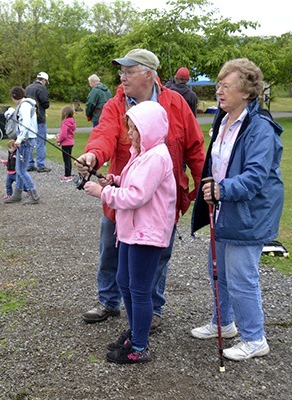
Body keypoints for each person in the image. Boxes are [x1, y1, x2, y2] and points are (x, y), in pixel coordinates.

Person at [77, 49, 205, 331]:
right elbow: (104, 134)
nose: (122, 77)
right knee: (111, 248)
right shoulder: (115, 105)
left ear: (149, 74)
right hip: (125, 198)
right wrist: (94, 156)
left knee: (158, 255)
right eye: (121, 72)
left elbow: (195, 147)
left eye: (128, 71)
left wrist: (203, 184)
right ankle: (108, 301)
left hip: (162, 202)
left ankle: (152, 307)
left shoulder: (177, 104)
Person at [190, 58, 284, 361]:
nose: (219, 90)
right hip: (223, 209)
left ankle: (255, 338)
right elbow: (218, 163)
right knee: (217, 270)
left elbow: (256, 176)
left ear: (246, 91)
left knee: (242, 276)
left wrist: (222, 189)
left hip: (248, 213)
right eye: (218, 84)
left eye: (225, 85)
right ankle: (224, 323)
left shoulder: (260, 128)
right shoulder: (224, 119)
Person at [84, 101, 176, 364]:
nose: (131, 134)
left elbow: (137, 196)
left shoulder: (156, 156)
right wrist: (114, 180)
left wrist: (102, 192)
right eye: (130, 128)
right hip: (130, 231)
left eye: (135, 129)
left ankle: (140, 347)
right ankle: (135, 332)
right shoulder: (142, 154)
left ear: (150, 129)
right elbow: (133, 183)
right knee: (124, 282)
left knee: (139, 290)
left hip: (146, 234)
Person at [4, 86, 40, 205]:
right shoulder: (26, 104)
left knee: (21, 170)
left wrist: (19, 139)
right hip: (26, 139)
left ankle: (34, 195)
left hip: (26, 140)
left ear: (14, 96)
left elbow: (26, 123)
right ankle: (17, 194)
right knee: (19, 169)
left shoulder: (24, 105)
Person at [25, 72, 51, 173]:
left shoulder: (28, 87)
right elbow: (45, 103)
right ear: (43, 80)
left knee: (30, 141)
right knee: (41, 142)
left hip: (29, 118)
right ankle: (41, 165)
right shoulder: (42, 88)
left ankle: (29, 164)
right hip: (39, 118)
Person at [56, 105, 76, 182]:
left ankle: (67, 176)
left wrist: (58, 140)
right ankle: (69, 174)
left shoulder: (65, 123)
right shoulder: (72, 121)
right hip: (70, 142)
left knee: (66, 160)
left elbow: (63, 135)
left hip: (65, 143)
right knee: (68, 159)